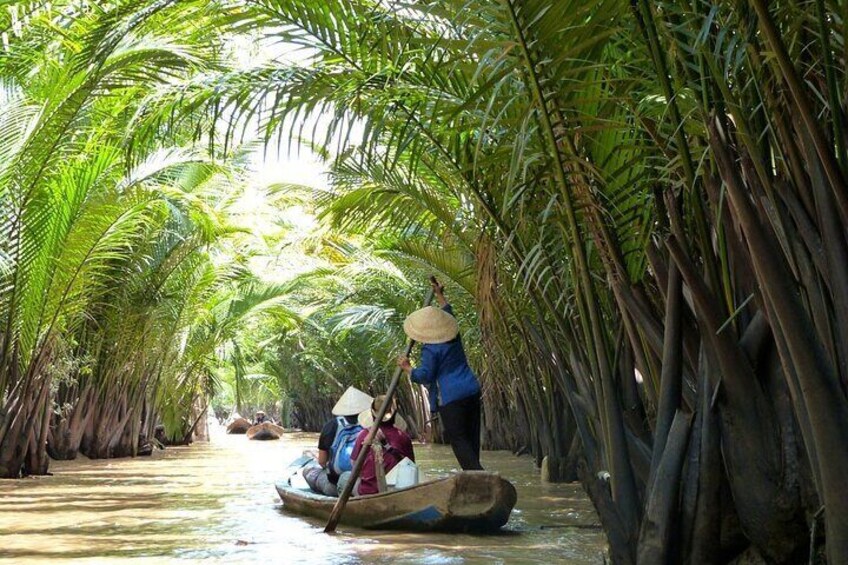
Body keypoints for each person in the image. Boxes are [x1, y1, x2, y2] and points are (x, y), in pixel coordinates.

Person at [398, 278, 484, 470]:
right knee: (471, 438)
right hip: (471, 390)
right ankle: (476, 476)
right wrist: (439, 294)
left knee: (459, 440)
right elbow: (448, 312)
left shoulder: (430, 349)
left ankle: (478, 476)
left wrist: (408, 368)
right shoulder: (454, 336)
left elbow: (426, 376)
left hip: (451, 397)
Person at [303, 386, 373, 496]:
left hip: (334, 485)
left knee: (308, 470)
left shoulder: (331, 426)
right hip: (367, 482)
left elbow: (322, 462)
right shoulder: (371, 425)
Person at [347, 396, 415, 496]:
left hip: (368, 492)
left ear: (372, 414)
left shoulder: (364, 435)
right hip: (397, 492)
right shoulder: (404, 437)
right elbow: (411, 466)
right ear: (394, 414)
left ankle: (350, 508)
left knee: (344, 478)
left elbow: (354, 464)